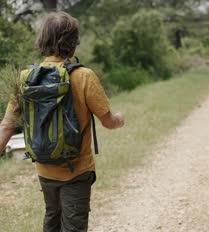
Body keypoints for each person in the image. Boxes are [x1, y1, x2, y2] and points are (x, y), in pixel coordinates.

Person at [0, 12, 125, 232]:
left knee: (51, 221)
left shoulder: (25, 78)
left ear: (42, 40)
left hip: (44, 168)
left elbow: (6, 126)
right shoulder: (84, 76)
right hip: (76, 170)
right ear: (73, 42)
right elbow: (108, 121)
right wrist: (120, 119)